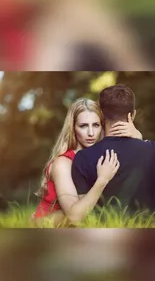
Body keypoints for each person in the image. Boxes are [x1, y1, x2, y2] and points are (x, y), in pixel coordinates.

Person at [33, 97, 142, 226]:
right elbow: (74, 216)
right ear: (73, 128)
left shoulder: (103, 155)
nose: (91, 133)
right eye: (83, 126)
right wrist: (102, 180)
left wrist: (137, 139)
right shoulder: (63, 163)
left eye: (96, 125)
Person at [72, 85, 155, 215]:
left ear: (101, 116)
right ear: (132, 115)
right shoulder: (151, 149)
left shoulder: (82, 157)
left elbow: (84, 215)